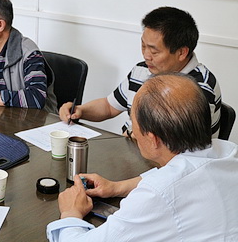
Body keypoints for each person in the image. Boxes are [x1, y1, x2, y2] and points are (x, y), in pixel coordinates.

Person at [47, 73, 238, 241]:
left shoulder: (157, 196)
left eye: (134, 124)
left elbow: (166, 188)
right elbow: (180, 175)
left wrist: (71, 212)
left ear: (153, 139)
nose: (133, 133)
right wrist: (117, 187)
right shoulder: (228, 151)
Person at [59, 6, 221, 135]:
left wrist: (135, 136)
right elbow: (109, 106)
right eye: (143, 46)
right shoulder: (142, 70)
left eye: (154, 51)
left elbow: (180, 147)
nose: (146, 55)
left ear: (181, 52)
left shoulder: (200, 88)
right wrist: (80, 111)